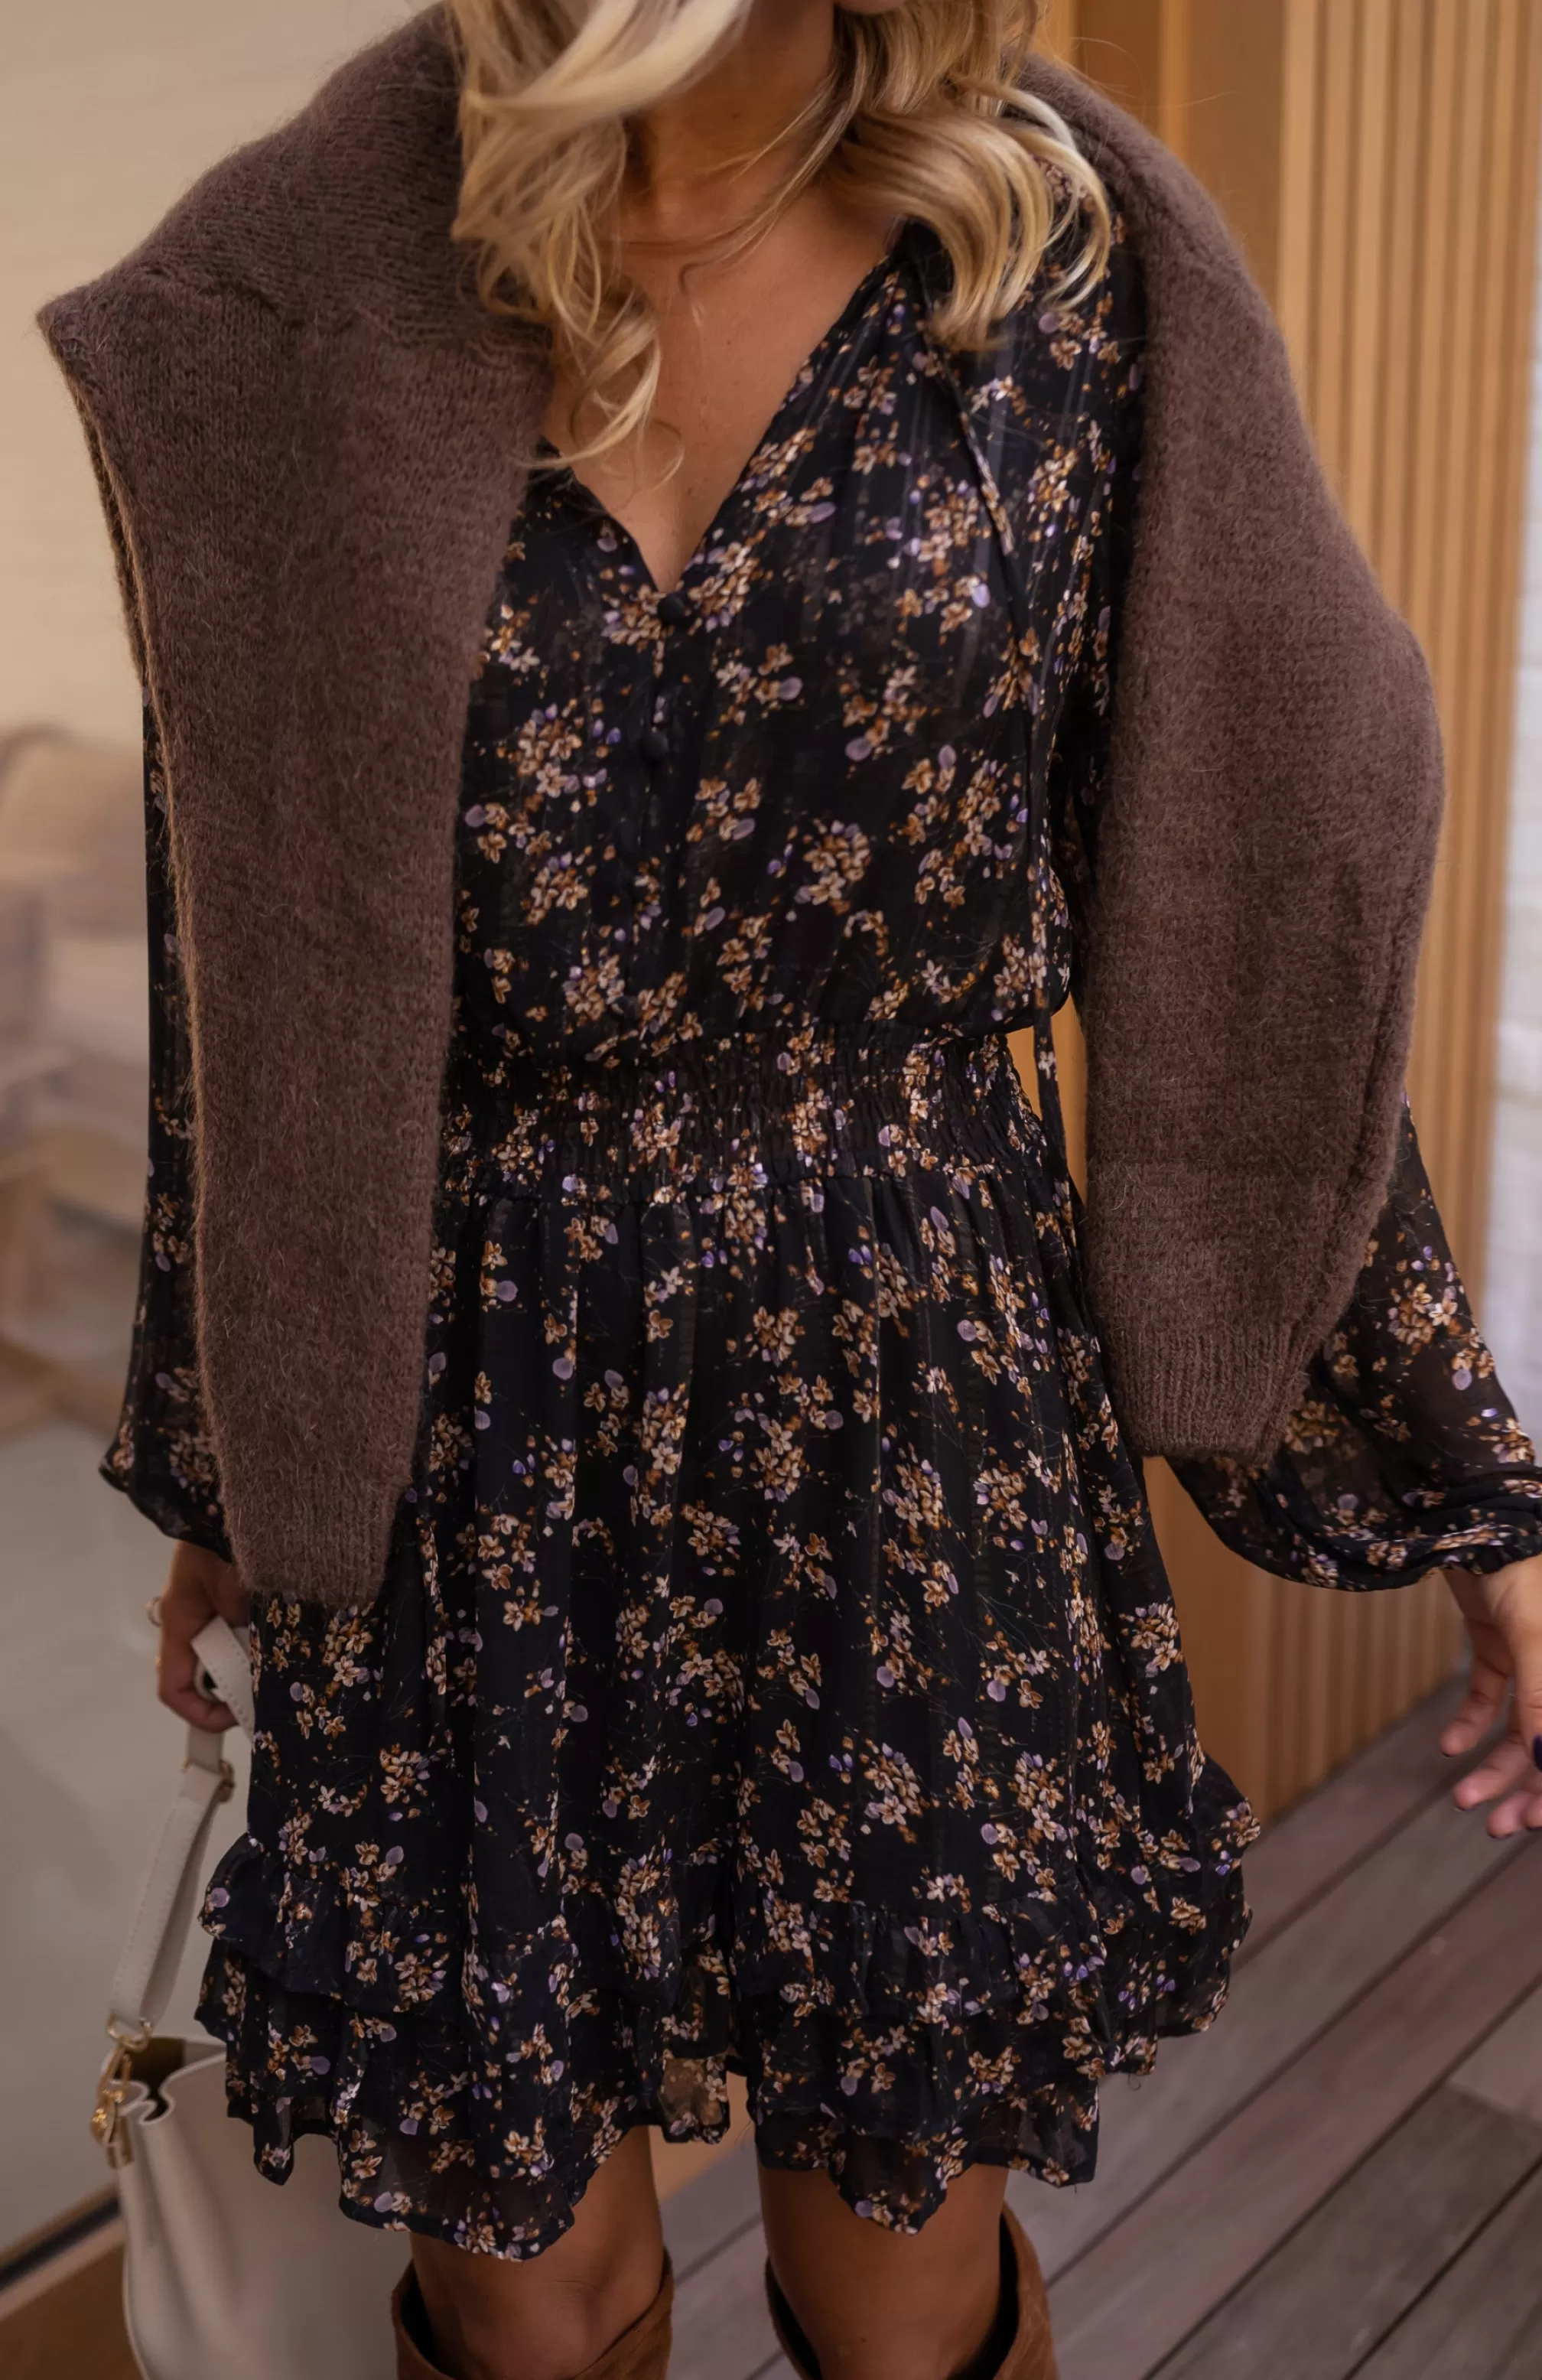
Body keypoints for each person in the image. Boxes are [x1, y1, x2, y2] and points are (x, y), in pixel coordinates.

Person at [41, 5, 1542, 2377]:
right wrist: (236, 1459)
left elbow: (1260, 926)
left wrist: (1467, 1480)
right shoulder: (303, 291)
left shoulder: (1053, 266)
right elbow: (249, 943)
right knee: (531, 2308)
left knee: (897, 2289)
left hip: (909, 1405)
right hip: (471, 1427)